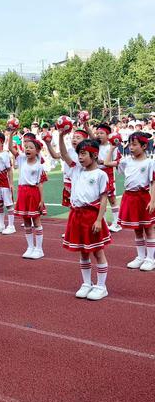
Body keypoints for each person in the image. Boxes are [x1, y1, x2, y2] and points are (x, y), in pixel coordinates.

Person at [59, 135, 111, 300]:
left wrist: (98, 220)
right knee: (82, 252)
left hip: (91, 216)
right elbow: (63, 155)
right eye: (79, 153)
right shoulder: (75, 169)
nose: (80, 157)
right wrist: (60, 135)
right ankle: (86, 283)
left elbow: (103, 198)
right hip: (76, 215)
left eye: (83, 153)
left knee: (97, 252)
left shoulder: (101, 175)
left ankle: (101, 286)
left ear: (94, 155)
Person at [107, 132, 155, 271]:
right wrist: (111, 147)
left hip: (144, 197)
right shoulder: (126, 161)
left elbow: (153, 182)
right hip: (130, 197)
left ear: (144, 146)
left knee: (149, 229)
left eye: (134, 144)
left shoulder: (150, 162)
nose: (131, 147)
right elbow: (106, 163)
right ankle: (140, 257)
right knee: (137, 229)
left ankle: (150, 259)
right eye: (130, 144)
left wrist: (152, 201)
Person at [8, 129, 47, 259]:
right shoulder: (21, 160)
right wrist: (12, 133)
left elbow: (40, 183)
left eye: (31, 147)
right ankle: (30, 247)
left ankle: (39, 248)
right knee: (26, 221)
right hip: (22, 193)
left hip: (33, 193)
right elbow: (10, 148)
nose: (27, 149)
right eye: (26, 147)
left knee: (36, 221)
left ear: (37, 151)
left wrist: (42, 200)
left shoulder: (39, 166)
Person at [95, 123, 122, 232]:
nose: (99, 135)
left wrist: (105, 162)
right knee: (100, 199)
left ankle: (116, 223)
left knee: (111, 198)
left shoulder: (112, 147)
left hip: (108, 173)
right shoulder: (96, 145)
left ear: (108, 135)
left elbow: (117, 161)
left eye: (102, 133)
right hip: (97, 173)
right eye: (98, 133)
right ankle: (104, 222)